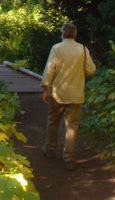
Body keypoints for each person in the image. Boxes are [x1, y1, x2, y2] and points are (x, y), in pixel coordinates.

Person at [41, 22, 96, 168]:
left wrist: (46, 88)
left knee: (53, 121)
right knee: (72, 126)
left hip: (57, 93)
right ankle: (69, 158)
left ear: (62, 34)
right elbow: (91, 70)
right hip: (76, 94)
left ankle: (50, 149)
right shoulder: (83, 49)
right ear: (75, 34)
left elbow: (50, 69)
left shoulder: (56, 48)